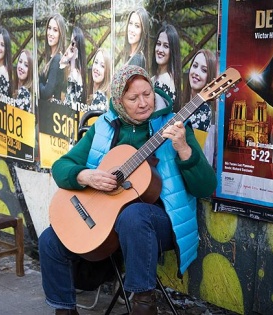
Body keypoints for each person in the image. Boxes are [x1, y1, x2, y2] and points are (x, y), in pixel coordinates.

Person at [39, 65, 217, 315]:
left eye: (147, 94)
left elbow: (206, 187)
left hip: (160, 222)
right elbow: (61, 166)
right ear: (119, 101)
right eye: (133, 98)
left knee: (133, 216)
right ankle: (65, 311)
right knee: (49, 240)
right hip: (107, 220)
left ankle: (143, 307)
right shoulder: (103, 127)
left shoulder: (175, 125)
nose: (144, 103)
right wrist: (85, 175)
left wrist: (184, 149)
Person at [182, 49, 217, 163]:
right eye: (195, 66)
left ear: (210, 77)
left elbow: (194, 152)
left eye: (204, 70)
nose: (196, 72)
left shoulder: (204, 110)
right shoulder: (184, 101)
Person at [151, 23, 181, 112]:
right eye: (158, 44)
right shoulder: (154, 79)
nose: (160, 50)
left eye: (166, 46)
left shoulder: (166, 81)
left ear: (173, 51)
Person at [39, 13, 66, 102]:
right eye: (49, 28)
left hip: (52, 111)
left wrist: (37, 82)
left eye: (55, 30)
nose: (50, 33)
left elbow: (47, 92)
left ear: (60, 34)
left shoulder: (57, 59)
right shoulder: (51, 57)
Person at [61, 26, 87, 111]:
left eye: (73, 43)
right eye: (71, 42)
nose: (71, 46)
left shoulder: (76, 74)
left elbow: (72, 102)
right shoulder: (71, 70)